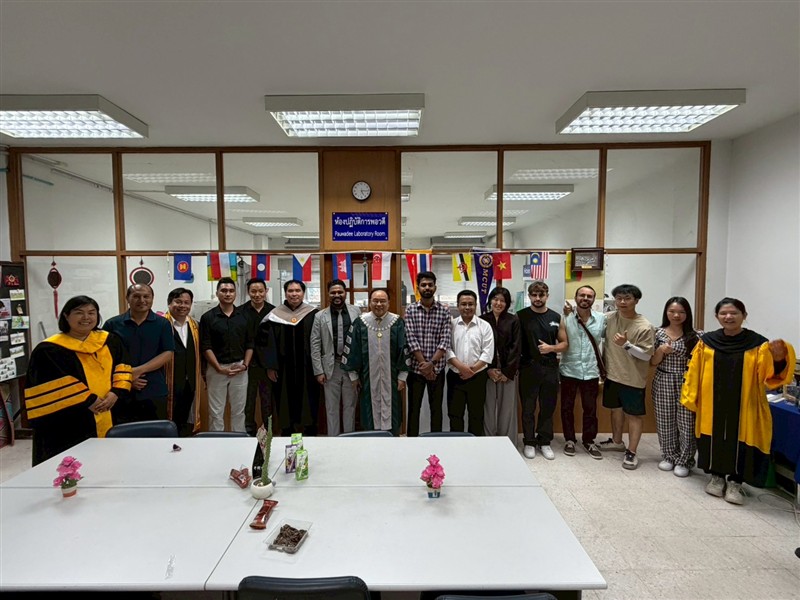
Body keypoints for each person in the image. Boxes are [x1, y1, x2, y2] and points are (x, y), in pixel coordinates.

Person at [681, 298, 795, 504]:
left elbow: (769, 376)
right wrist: (690, 396)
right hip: (712, 402)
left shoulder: (758, 344)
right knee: (712, 438)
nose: (728, 317)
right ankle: (716, 477)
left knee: (741, 440)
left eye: (734, 313)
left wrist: (778, 360)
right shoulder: (707, 342)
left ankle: (735, 482)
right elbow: (694, 371)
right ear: (717, 317)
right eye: (723, 313)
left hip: (745, 403)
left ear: (744, 315)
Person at [24, 296, 133, 465]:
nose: (86, 317)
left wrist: (116, 393)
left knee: (113, 462)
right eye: (79, 312)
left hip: (111, 408)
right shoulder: (49, 350)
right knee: (76, 464)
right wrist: (89, 400)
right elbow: (50, 385)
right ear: (66, 316)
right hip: (72, 418)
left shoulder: (110, 340)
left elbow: (123, 367)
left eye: (91, 312)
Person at [598, 283, 654, 471]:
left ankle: (632, 451)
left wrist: (627, 344)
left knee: (634, 415)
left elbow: (647, 356)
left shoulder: (644, 326)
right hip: (612, 375)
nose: (622, 302)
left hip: (633, 378)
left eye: (627, 298)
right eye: (619, 298)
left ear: (636, 301)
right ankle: (617, 441)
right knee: (615, 409)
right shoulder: (610, 318)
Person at [102, 283, 174, 423]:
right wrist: (128, 377)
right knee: (123, 432)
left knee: (155, 432)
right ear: (127, 298)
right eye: (136, 296)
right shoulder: (112, 324)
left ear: (152, 298)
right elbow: (104, 357)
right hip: (120, 391)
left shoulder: (163, 323)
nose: (142, 300)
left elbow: (167, 353)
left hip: (154, 389)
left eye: (146, 296)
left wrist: (138, 371)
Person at [341, 288, 409, 436]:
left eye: (382, 301)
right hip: (367, 378)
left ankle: (392, 441)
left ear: (388, 303)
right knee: (368, 412)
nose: (379, 304)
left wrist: (402, 376)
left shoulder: (397, 322)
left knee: (393, 411)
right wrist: (354, 376)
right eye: (375, 301)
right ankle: (370, 443)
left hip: (391, 379)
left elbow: (404, 349)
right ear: (370, 303)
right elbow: (352, 349)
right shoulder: (360, 323)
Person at [650, 296, 701, 477]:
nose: (676, 315)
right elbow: (653, 362)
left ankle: (685, 460)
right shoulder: (657, 333)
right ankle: (669, 456)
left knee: (687, 423)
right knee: (665, 421)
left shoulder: (697, 336)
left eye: (681, 312)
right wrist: (661, 351)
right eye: (672, 311)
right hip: (663, 379)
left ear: (687, 314)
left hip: (687, 381)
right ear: (666, 313)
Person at [262, 279, 319, 436]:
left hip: (307, 367)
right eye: (290, 291)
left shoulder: (312, 314)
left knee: (309, 399)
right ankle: (287, 431)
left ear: (303, 293)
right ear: (285, 293)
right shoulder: (275, 316)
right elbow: (268, 343)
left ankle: (309, 431)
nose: (294, 294)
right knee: (284, 400)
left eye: (297, 290)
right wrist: (271, 366)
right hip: (283, 368)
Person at [517, 281, 567, 459]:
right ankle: (529, 442)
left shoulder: (556, 317)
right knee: (528, 408)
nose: (537, 298)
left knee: (548, 407)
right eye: (534, 295)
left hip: (550, 368)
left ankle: (544, 441)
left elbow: (564, 343)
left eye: (541, 295)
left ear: (547, 296)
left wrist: (551, 348)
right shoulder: (520, 316)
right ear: (529, 296)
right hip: (528, 367)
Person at [199, 277, 253, 432]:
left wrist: (245, 365)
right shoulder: (208, 317)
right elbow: (206, 346)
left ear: (235, 293)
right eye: (223, 290)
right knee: (216, 412)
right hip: (216, 369)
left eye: (231, 291)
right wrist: (219, 368)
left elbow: (250, 344)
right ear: (217, 293)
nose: (227, 294)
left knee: (239, 411)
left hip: (239, 368)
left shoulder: (245, 316)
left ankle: (238, 441)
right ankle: (217, 442)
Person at [404, 271, 452, 437]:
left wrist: (431, 364)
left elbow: (445, 340)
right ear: (418, 288)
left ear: (435, 288)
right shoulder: (410, 310)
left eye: (430, 285)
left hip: (437, 370)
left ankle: (435, 442)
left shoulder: (444, 311)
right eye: (423, 285)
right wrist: (424, 365)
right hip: (416, 370)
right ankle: (412, 442)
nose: (427, 288)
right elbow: (410, 339)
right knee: (413, 409)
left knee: (436, 409)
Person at [310, 279, 361, 436]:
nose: (337, 295)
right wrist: (319, 371)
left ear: (345, 293)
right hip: (330, 368)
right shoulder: (320, 316)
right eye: (333, 292)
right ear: (328, 294)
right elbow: (315, 344)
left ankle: (349, 439)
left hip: (351, 367)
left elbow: (361, 340)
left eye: (340, 292)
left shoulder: (356, 312)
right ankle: (333, 440)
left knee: (350, 406)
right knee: (331, 407)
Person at [560, 285, 605, 459]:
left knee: (590, 409)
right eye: (582, 295)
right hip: (569, 369)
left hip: (591, 370)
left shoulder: (601, 319)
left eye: (589, 296)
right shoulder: (565, 317)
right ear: (575, 297)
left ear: (593, 299)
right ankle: (569, 440)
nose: (585, 298)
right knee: (567, 407)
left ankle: (589, 440)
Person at [446, 290, 494, 436]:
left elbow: (487, 352)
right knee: (455, 415)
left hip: (478, 377)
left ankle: (475, 446)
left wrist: (471, 370)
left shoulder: (484, 326)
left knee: (476, 415)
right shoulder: (450, 325)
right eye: (463, 304)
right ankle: (457, 444)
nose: (467, 307)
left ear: (476, 305)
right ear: (458, 306)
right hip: (455, 377)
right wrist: (462, 368)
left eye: (470, 304)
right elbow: (446, 349)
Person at [479, 286, 521, 442]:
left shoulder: (513, 320)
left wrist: (507, 372)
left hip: (508, 372)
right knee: (487, 407)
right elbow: (479, 346)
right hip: (486, 370)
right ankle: (488, 441)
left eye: (502, 300)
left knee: (507, 409)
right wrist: (488, 369)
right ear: (490, 301)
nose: (498, 303)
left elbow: (516, 347)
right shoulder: (482, 319)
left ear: (507, 303)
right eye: (495, 299)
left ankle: (507, 442)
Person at [164, 287, 202, 436]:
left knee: (184, 418)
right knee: (167, 419)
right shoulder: (161, 324)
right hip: (168, 381)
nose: (183, 306)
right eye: (178, 302)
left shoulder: (195, 325)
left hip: (189, 381)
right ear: (169, 303)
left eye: (186, 302)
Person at [242, 277, 276, 436]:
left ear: (266, 291)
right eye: (253, 291)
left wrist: (273, 366)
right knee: (247, 402)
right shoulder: (240, 312)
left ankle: (268, 432)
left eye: (260, 291)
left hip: (266, 366)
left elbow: (276, 342)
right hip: (246, 364)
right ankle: (248, 432)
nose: (257, 295)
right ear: (248, 292)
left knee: (267, 402)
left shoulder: (274, 312)